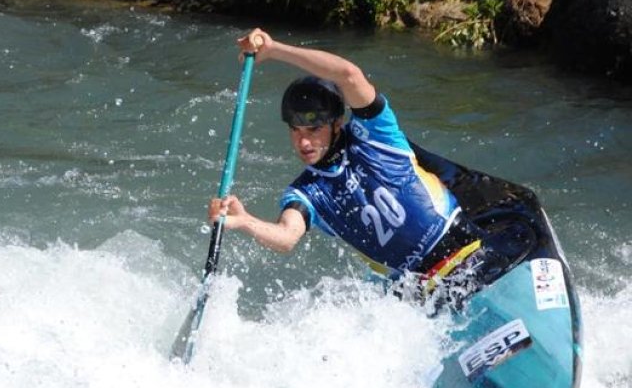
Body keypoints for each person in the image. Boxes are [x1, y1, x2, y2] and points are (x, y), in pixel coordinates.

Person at [207, 28, 498, 308]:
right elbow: (286, 237)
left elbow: (348, 75)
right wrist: (245, 221)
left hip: (467, 249)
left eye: (314, 129)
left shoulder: (375, 133)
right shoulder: (306, 191)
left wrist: (274, 51)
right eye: (295, 130)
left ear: (337, 124)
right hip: (417, 291)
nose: (303, 141)